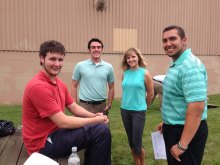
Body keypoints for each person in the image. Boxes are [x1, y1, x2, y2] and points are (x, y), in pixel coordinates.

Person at [22, 40, 111, 165]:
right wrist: (95, 120)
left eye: (60, 59)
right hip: (41, 144)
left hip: (55, 133)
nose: (57, 64)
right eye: (52, 59)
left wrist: (94, 116)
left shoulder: (58, 83)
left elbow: (73, 106)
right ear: (42, 58)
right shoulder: (38, 86)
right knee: (101, 131)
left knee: (98, 128)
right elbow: (62, 122)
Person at [157, 25, 208, 165]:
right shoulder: (178, 63)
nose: (168, 44)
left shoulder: (190, 67)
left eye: (172, 39)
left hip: (186, 133)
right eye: (164, 40)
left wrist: (182, 145)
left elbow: (197, 108)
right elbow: (178, 97)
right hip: (176, 127)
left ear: (184, 40)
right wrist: (167, 121)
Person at [120, 48, 154, 165]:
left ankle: (142, 163)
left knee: (137, 142)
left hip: (138, 112)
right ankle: (136, 163)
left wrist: (144, 106)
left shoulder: (145, 73)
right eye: (128, 58)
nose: (131, 59)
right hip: (124, 110)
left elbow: (151, 93)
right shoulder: (125, 74)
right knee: (131, 142)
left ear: (138, 57)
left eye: (133, 57)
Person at [71, 38, 115, 115]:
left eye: (98, 47)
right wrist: (74, 105)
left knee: (102, 127)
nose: (96, 49)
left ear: (102, 49)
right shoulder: (80, 66)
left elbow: (111, 87)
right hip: (85, 106)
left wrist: (109, 104)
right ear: (89, 50)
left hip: (102, 106)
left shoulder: (109, 67)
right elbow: (73, 86)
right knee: (85, 127)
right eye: (93, 47)